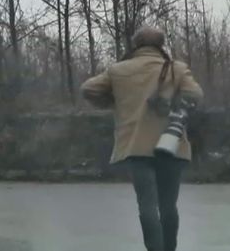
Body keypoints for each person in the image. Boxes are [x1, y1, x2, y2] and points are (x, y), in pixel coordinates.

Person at [81, 27, 203, 251]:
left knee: (147, 206)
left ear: (136, 45)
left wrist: (114, 102)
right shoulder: (176, 68)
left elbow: (88, 89)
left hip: (137, 147)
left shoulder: (118, 70)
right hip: (171, 144)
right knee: (168, 206)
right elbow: (195, 94)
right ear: (161, 44)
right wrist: (175, 105)